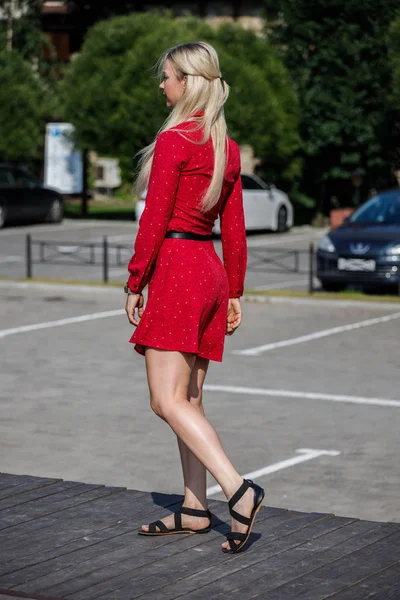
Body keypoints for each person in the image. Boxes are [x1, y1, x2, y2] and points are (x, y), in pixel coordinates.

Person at [125, 41, 264, 554]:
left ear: (187, 80)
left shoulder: (176, 140)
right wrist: (234, 290)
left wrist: (136, 278)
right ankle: (194, 507)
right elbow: (236, 230)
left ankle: (238, 490)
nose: (161, 85)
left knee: (165, 400)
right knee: (190, 399)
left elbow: (154, 218)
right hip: (209, 271)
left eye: (165, 77)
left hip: (179, 271)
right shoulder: (225, 146)